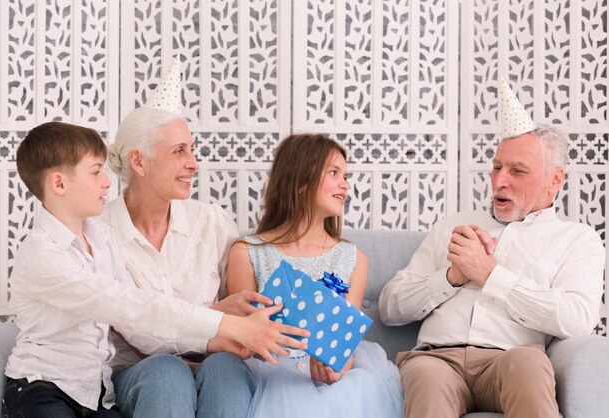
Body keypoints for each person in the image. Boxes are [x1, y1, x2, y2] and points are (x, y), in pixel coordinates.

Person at [2, 121, 309, 418]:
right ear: (59, 183)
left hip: (94, 394)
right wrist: (230, 326)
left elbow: (139, 327)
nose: (108, 181)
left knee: (215, 369)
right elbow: (131, 305)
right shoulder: (44, 257)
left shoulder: (100, 238)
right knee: (165, 373)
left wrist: (214, 341)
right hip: (44, 387)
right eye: (96, 172)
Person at [378, 80, 605, 418]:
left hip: (511, 359)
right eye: (498, 166)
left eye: (517, 171)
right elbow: (389, 308)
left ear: (555, 180)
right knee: (425, 375)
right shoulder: (451, 225)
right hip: (438, 359)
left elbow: (577, 319)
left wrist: (489, 275)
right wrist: (453, 276)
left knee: (529, 361)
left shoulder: (576, 239)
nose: (499, 181)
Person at [102, 58, 277, 418]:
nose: (194, 163)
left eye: (192, 150)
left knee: (228, 369)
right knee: (167, 371)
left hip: (215, 364)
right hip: (141, 374)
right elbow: (143, 333)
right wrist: (216, 316)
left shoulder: (210, 222)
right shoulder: (102, 233)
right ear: (139, 161)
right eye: (179, 151)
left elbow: (250, 299)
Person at [227, 133, 405, 418]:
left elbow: (345, 341)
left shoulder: (353, 259)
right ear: (300, 182)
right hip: (267, 368)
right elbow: (240, 337)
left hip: (333, 374)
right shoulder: (247, 252)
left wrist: (336, 368)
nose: (344, 184)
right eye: (334, 173)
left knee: (343, 394)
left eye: (345, 175)